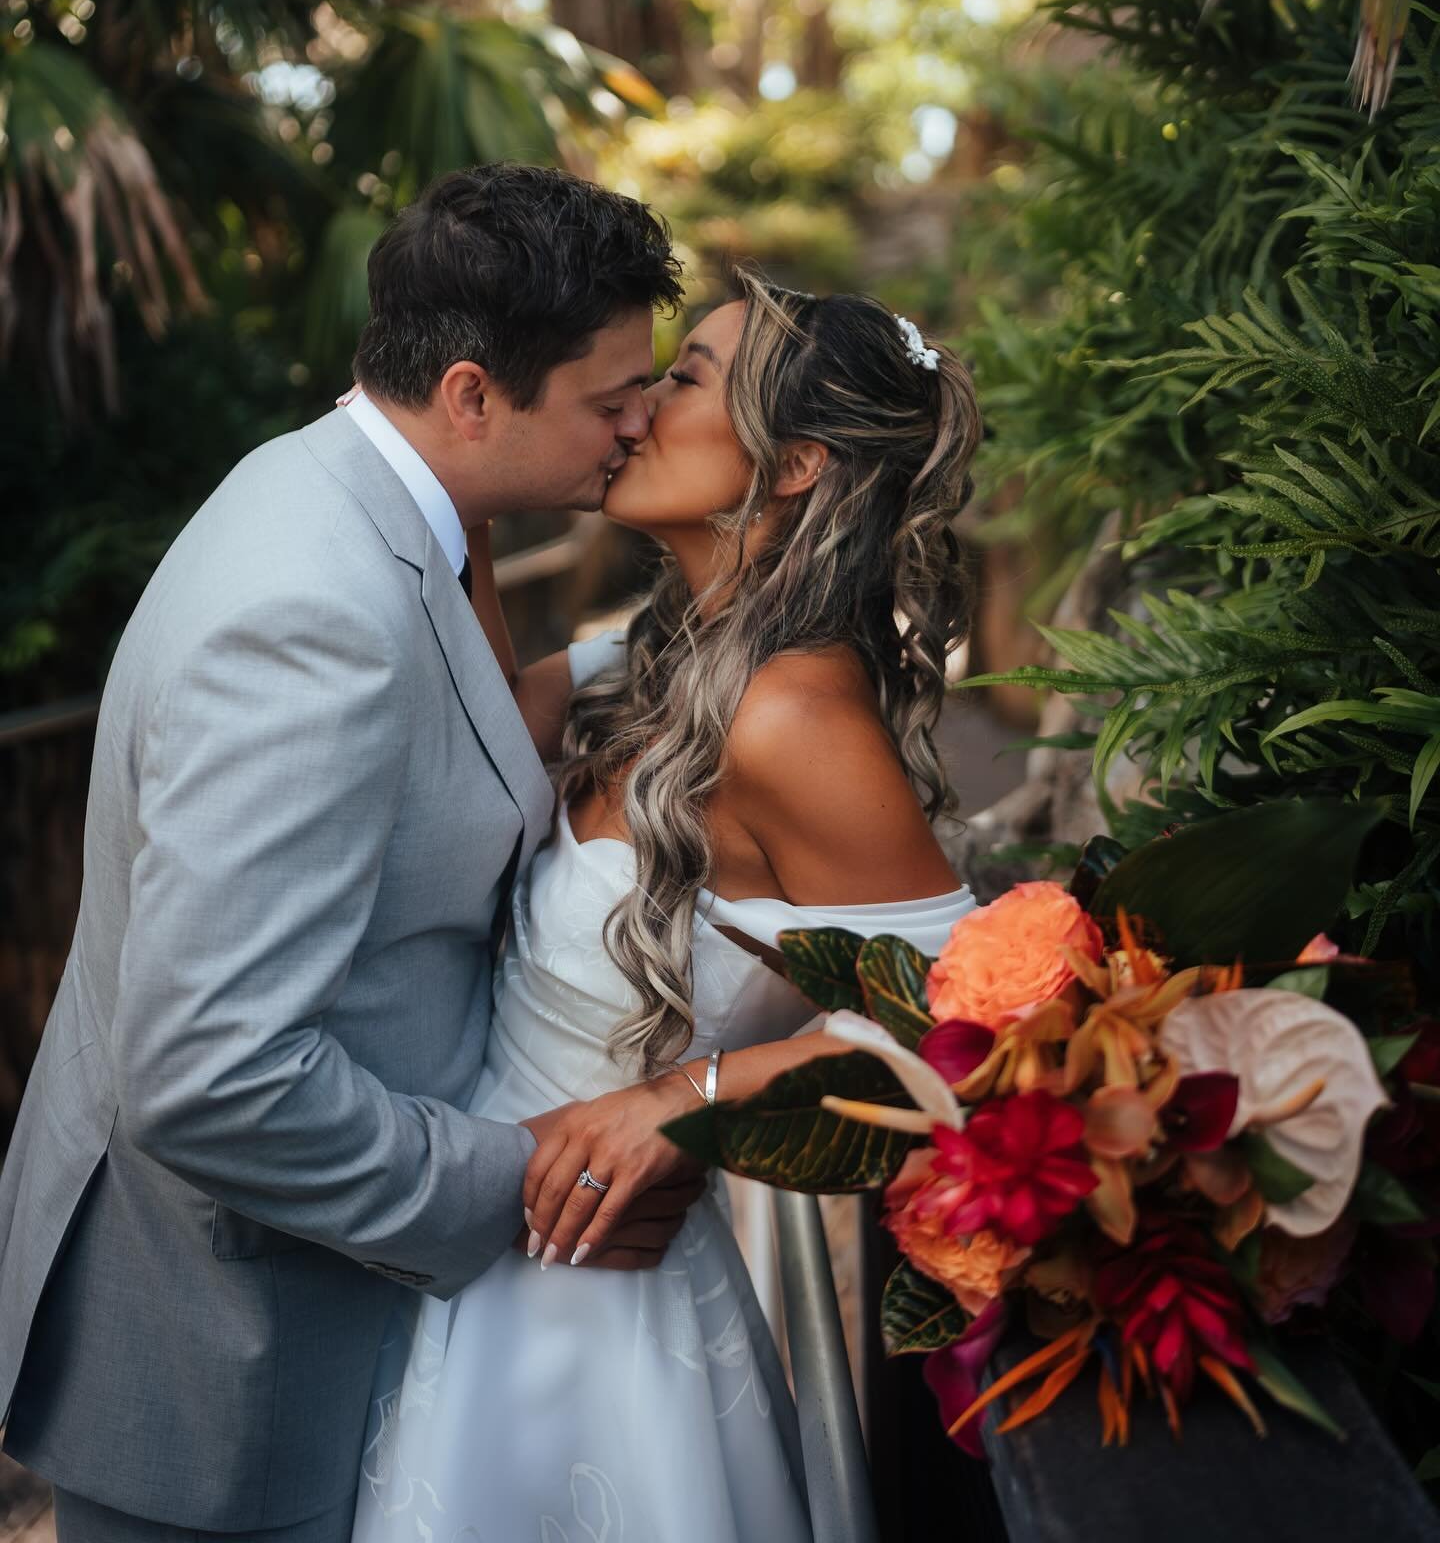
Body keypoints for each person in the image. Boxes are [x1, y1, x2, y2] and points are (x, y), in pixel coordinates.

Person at [0, 164, 698, 1543]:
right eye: (612, 398)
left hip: (292, 1315)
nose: (641, 424)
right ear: (471, 394)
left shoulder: (350, 493)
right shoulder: (312, 615)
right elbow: (211, 1074)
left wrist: (712, 647)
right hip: (229, 1362)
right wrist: (522, 1178)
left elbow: (459, 742)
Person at [351, 272, 984, 1543]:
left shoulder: (796, 722)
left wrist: (684, 1105)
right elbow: (467, 733)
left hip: (600, 1304)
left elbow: (974, 1036)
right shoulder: (640, 661)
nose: (635, 409)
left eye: (682, 379)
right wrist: (478, 475)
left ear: (792, 465)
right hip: (475, 1246)